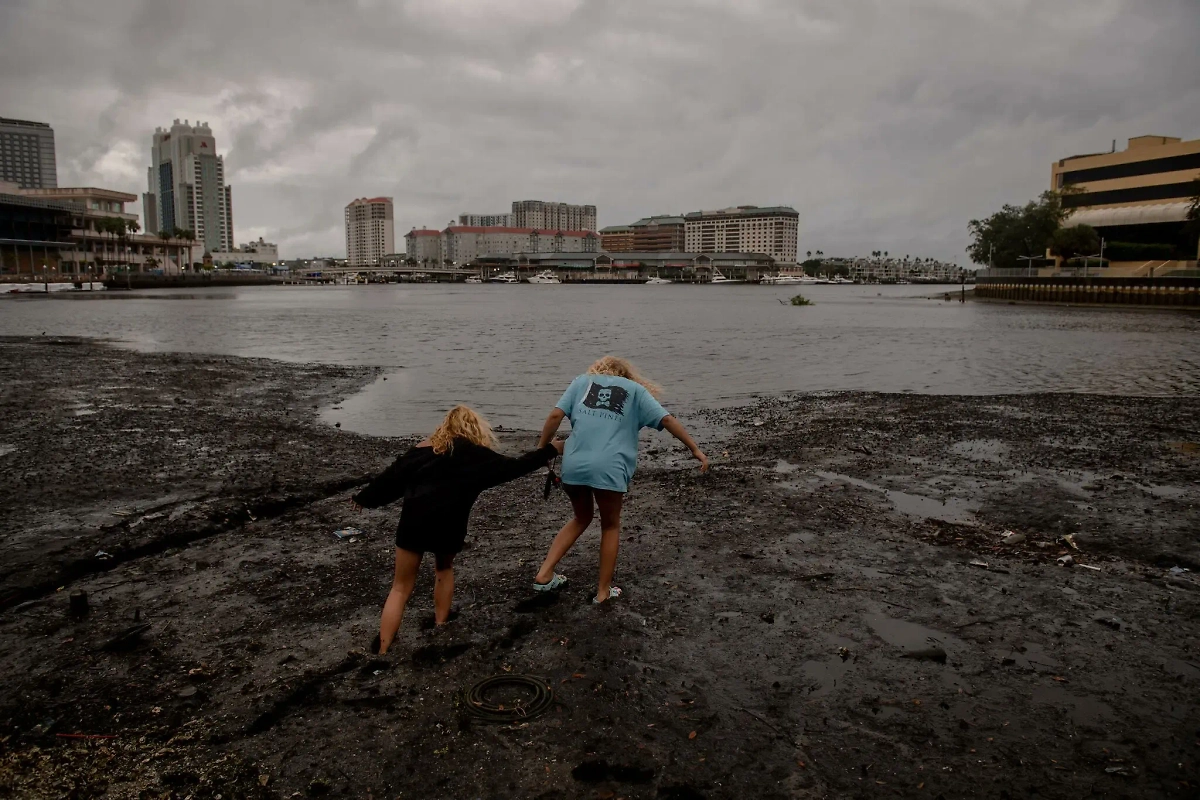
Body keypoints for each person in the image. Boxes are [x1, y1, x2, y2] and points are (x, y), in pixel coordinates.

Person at [351, 405, 563, 655]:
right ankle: (441, 624)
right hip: (449, 525)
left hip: (413, 524)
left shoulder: (421, 450)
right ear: (474, 428)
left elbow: (390, 480)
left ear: (445, 426)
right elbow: (513, 468)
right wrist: (550, 450)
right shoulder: (475, 456)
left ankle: (384, 648)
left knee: (400, 587)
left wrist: (365, 498)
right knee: (443, 569)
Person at [532, 356, 708, 604]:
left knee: (581, 517)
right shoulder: (635, 391)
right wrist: (695, 450)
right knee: (610, 525)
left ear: (597, 370)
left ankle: (544, 574)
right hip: (609, 468)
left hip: (575, 464)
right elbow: (667, 420)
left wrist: (542, 450)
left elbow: (554, 417)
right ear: (626, 375)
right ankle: (603, 592)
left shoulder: (582, 382)